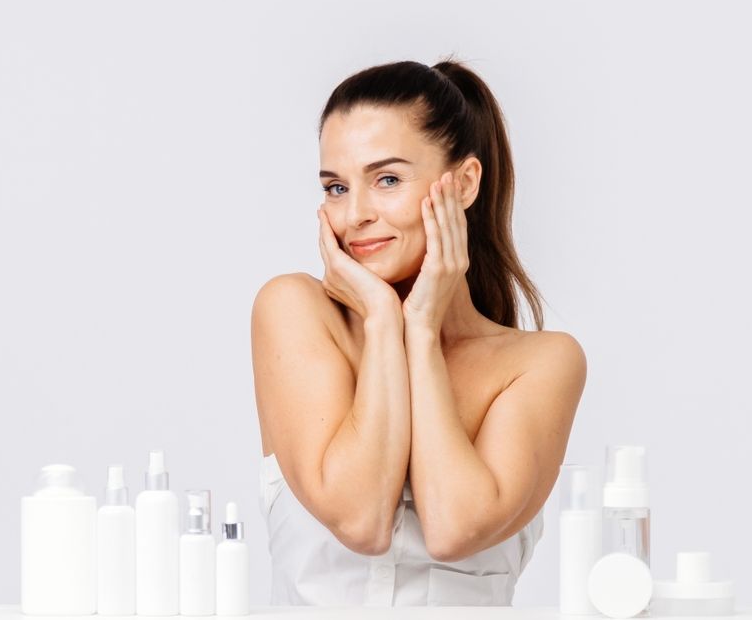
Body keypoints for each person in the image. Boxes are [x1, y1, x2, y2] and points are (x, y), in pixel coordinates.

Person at [251, 58, 587, 606]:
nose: (355, 213)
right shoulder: (293, 310)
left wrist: (422, 332)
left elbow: (456, 528)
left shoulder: (542, 363)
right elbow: (360, 521)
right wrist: (384, 322)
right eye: (336, 187)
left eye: (387, 179)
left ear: (464, 184)